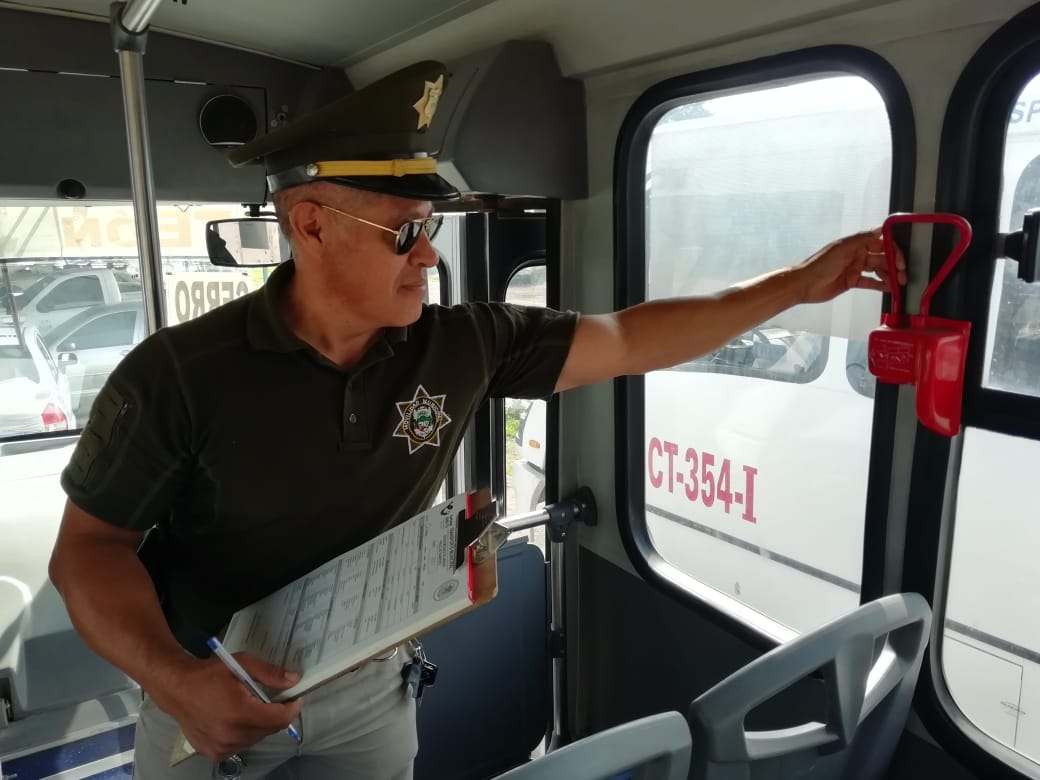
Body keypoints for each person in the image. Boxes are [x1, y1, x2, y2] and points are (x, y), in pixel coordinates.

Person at [48, 59, 906, 779]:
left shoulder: (463, 343)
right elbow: (88, 551)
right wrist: (177, 681)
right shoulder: (177, 376)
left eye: (429, 228)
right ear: (309, 225)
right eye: (402, 233)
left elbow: (629, 338)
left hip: (370, 691)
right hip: (213, 688)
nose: (428, 255)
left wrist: (797, 285)